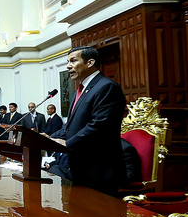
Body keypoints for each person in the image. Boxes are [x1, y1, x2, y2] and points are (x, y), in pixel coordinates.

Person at [46, 47, 127, 195]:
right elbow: (70, 126)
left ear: (90, 63)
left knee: (97, 216)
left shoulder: (106, 87)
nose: (68, 66)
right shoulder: (81, 89)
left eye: (73, 61)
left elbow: (99, 125)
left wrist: (67, 143)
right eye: (67, 62)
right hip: (80, 167)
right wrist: (49, 139)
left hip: (99, 168)